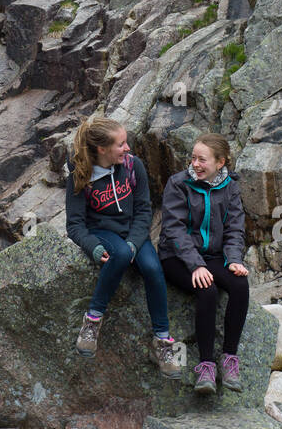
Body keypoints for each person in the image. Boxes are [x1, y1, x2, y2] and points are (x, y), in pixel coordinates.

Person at [64, 116, 179, 376]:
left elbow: (143, 210)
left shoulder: (132, 166)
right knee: (121, 254)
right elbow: (74, 224)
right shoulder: (79, 173)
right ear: (102, 149)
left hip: (133, 232)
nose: (128, 148)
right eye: (121, 144)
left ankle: (162, 340)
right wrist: (93, 246)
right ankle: (92, 320)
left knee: (152, 268)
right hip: (102, 232)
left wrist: (134, 242)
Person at [158, 133, 249, 394]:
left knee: (240, 286)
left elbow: (235, 228)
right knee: (207, 290)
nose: (195, 164)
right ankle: (206, 367)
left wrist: (233, 260)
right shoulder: (178, 184)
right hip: (176, 256)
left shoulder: (230, 186)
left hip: (213, 256)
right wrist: (196, 265)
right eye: (193, 158)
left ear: (220, 163)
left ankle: (230, 360)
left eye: (202, 160)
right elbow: (174, 230)